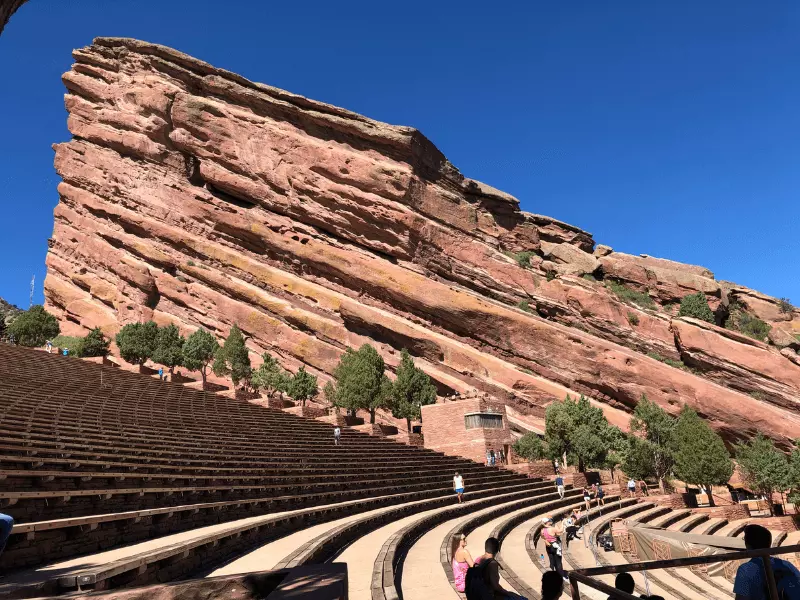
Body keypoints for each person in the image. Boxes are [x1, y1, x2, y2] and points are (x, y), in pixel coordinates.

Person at [734, 524, 800, 600]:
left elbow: (741, 598)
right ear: (769, 544)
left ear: (747, 545)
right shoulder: (787, 565)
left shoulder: (745, 569)